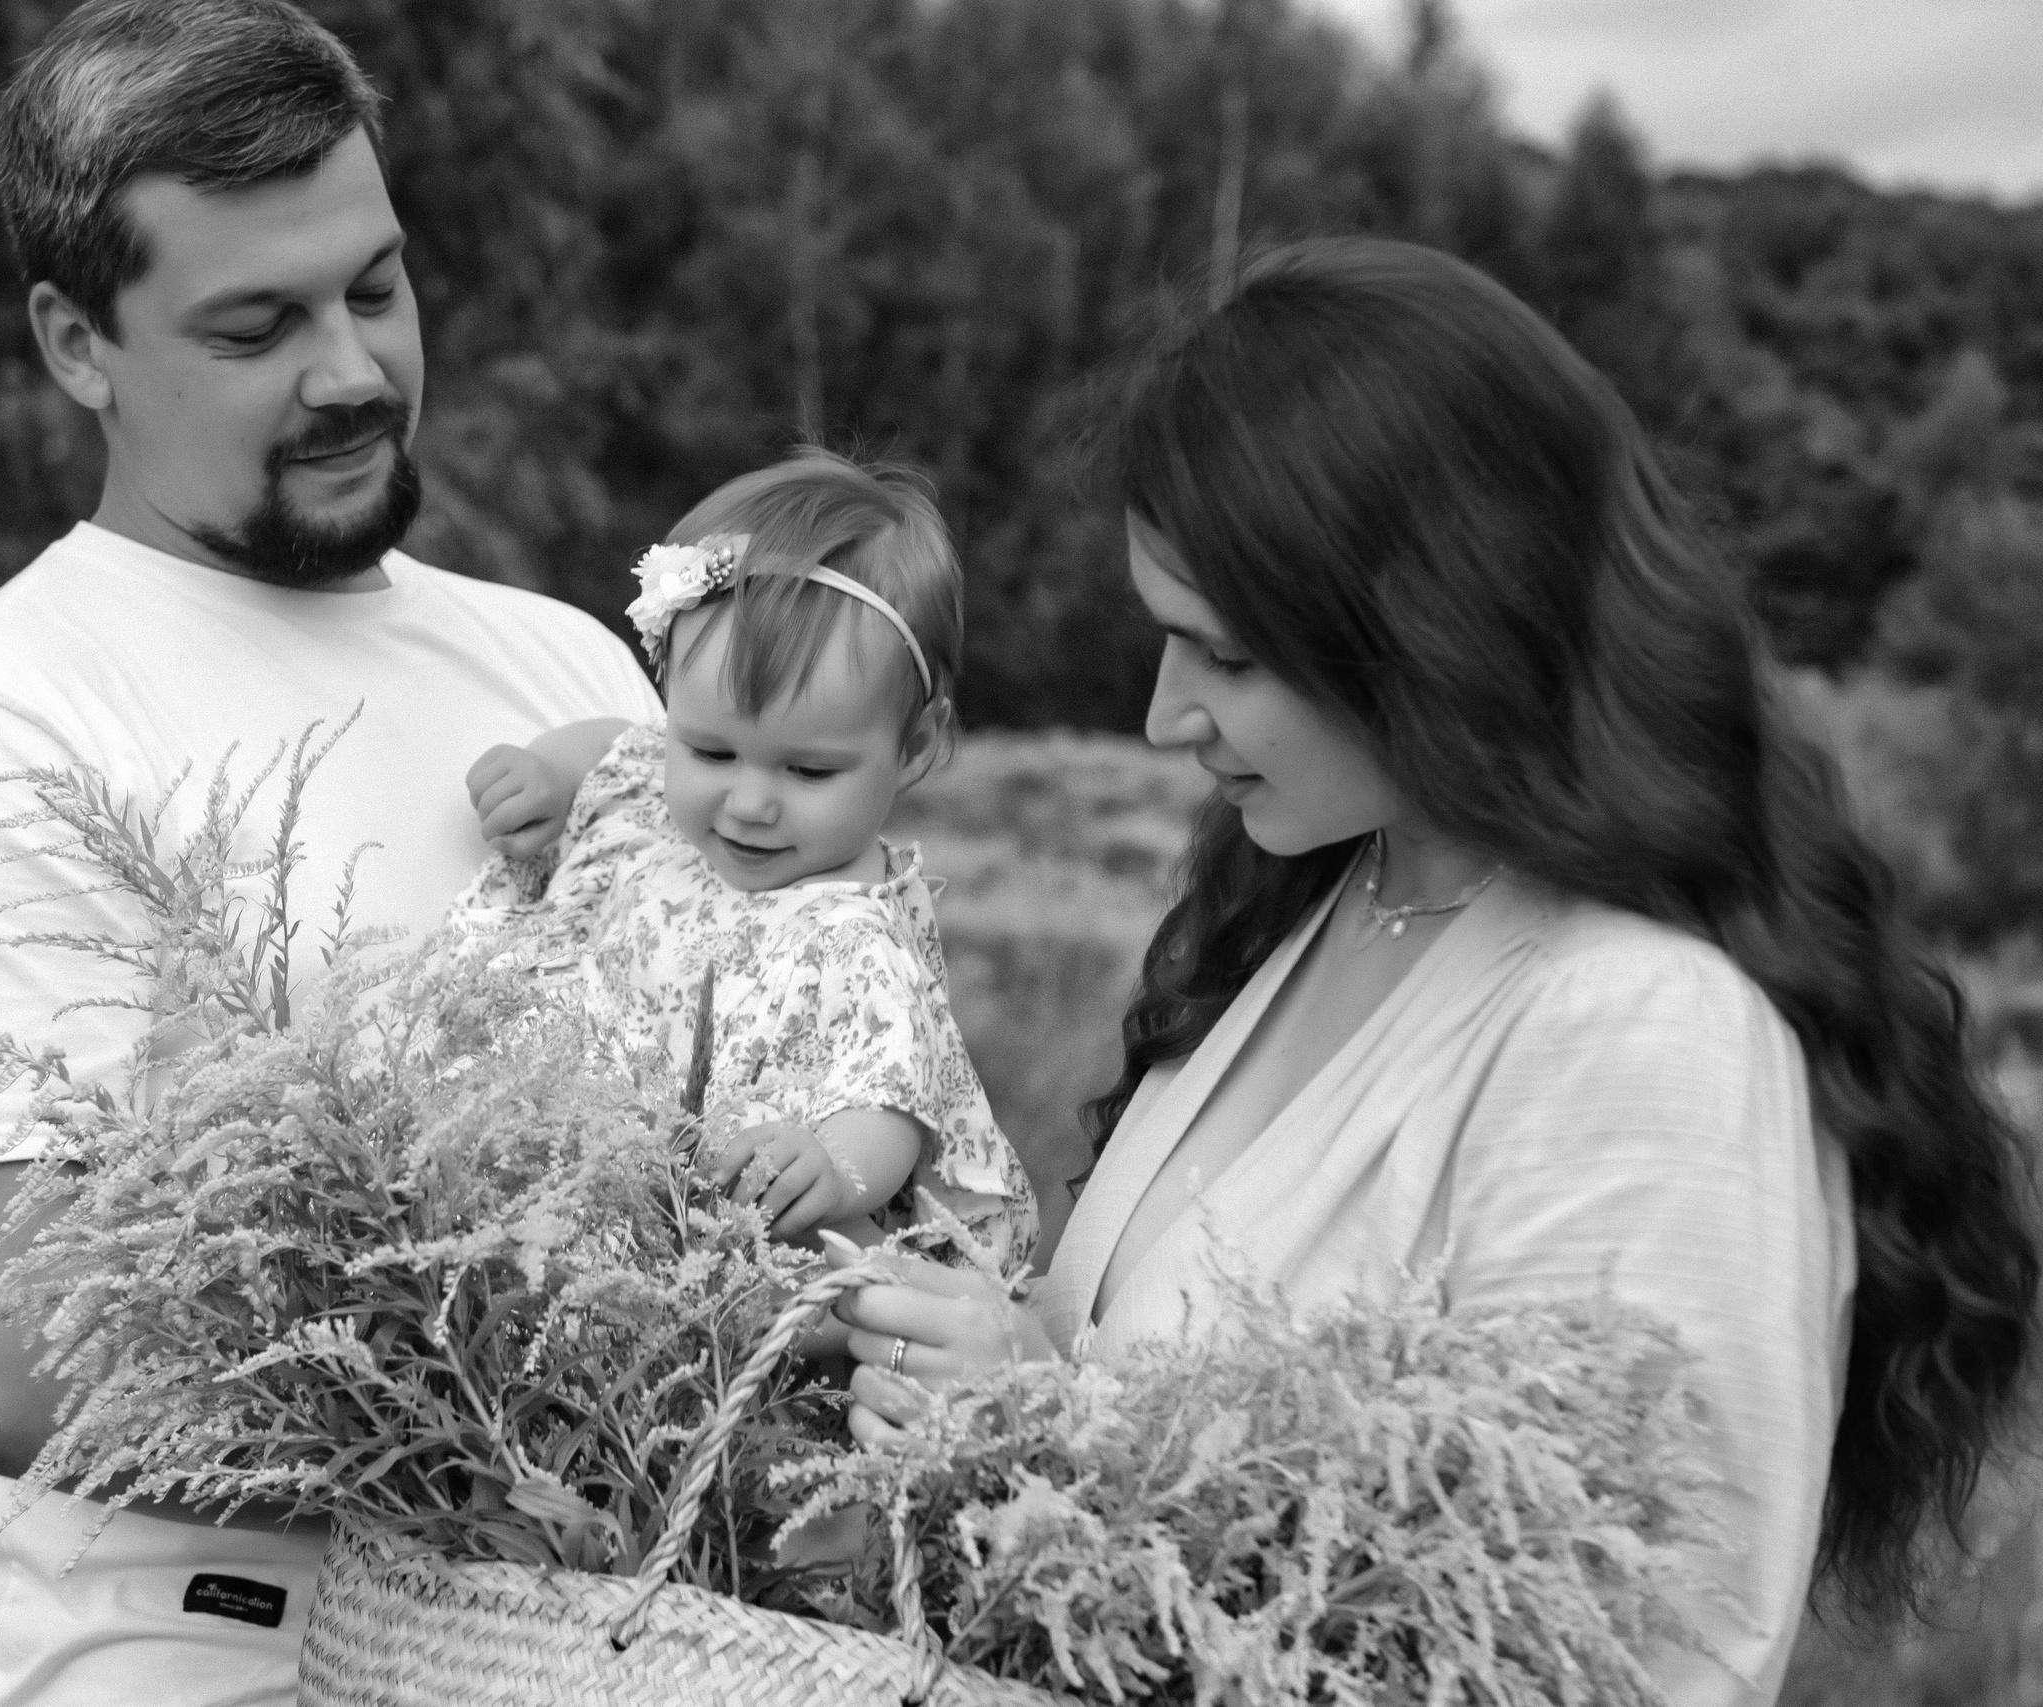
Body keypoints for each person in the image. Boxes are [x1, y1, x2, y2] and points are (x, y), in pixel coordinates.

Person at [833, 237, 2037, 1704]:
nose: (1163, 717)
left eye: (1225, 656)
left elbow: (1606, 1662)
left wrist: (1039, 1432)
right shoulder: (1322, 899)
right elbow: (1145, 1396)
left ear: (1435, 626)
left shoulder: (1646, 1035)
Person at [0, 4, 659, 1703]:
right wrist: (528, 1456)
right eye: (257, 325)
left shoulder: (570, 663)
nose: (351, 370)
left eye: (375, 289)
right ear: (78, 342)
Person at [453, 449, 1038, 1275]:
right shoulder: (657, 797)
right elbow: (617, 745)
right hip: (589, 1154)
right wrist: (548, 770)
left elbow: (894, 1103)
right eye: (713, 750)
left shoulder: (855, 938)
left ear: (911, 746)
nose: (750, 801)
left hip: (737, 1217)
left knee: (807, 1266)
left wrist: (833, 1167)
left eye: (808, 770)